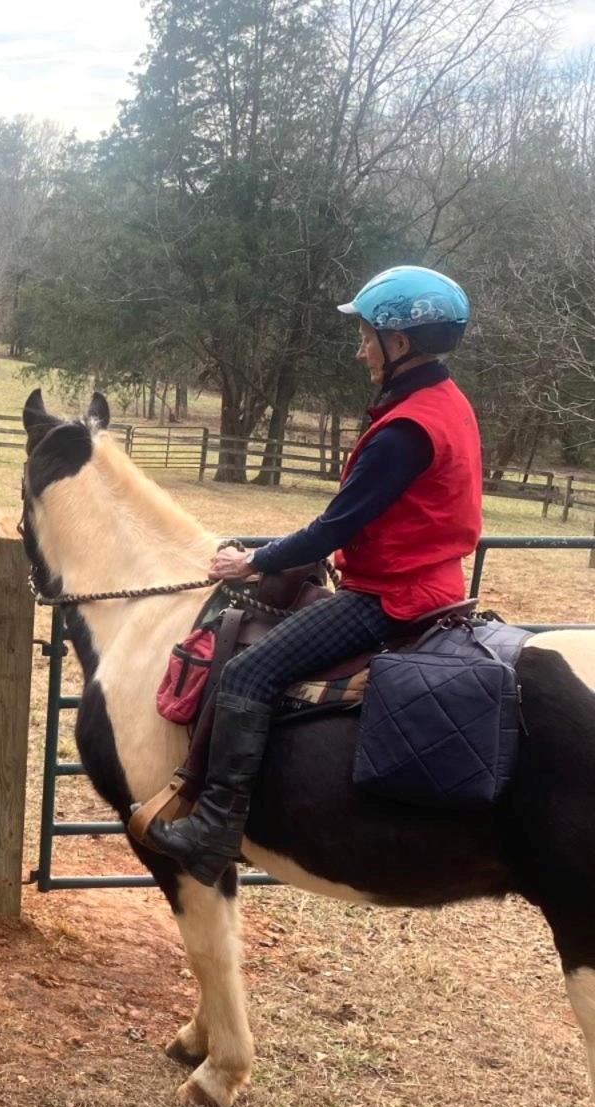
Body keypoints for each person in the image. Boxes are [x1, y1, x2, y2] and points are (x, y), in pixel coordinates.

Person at [145, 266, 484, 885]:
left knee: (249, 671)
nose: (360, 351)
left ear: (399, 344)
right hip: (430, 579)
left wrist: (253, 560)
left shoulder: (406, 429)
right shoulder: (447, 403)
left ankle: (213, 828)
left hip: (390, 597)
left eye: (365, 337)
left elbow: (334, 526)